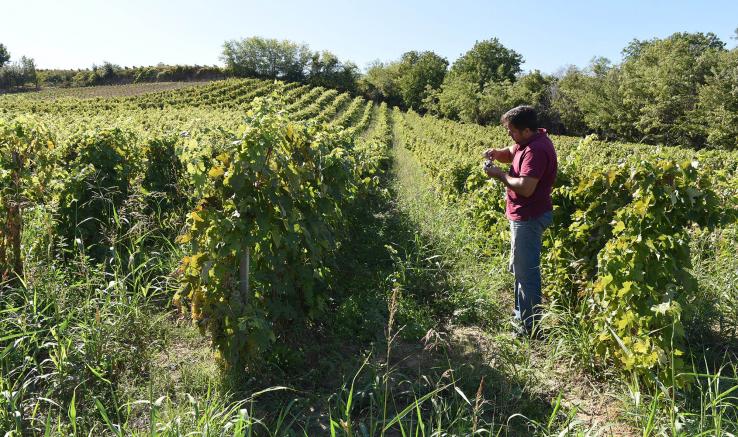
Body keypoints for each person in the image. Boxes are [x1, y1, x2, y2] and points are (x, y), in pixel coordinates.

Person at [483, 105, 557, 337]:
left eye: (512, 130)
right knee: (520, 269)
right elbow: (511, 151)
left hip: (529, 216)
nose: (509, 134)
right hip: (523, 215)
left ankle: (530, 328)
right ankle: (521, 318)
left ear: (526, 130)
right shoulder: (528, 142)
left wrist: (500, 175)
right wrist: (496, 153)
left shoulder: (536, 150)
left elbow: (525, 187)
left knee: (527, 273)